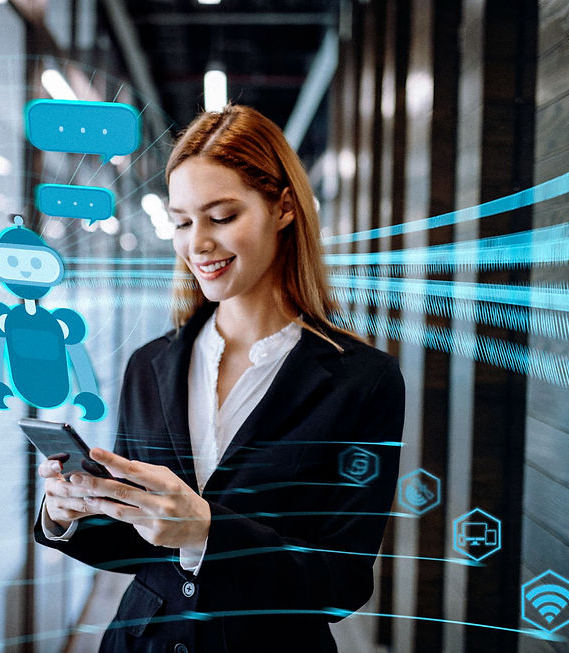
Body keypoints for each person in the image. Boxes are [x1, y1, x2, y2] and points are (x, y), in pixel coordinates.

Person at [34, 104, 405, 652]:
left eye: (222, 216)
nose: (197, 244)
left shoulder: (363, 381)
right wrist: (70, 513)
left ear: (282, 209)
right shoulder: (150, 365)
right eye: (183, 222)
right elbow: (141, 544)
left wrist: (207, 532)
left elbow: (342, 582)